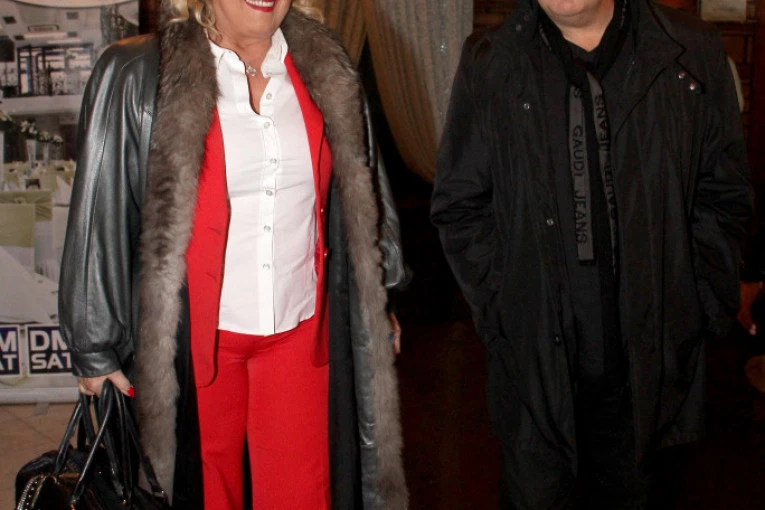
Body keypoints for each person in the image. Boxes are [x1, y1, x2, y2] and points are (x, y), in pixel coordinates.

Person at [58, 1, 408, 509]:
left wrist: (382, 295)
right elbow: (99, 204)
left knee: (304, 494)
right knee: (201, 494)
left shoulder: (326, 66)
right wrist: (93, 340)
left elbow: (366, 188)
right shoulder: (138, 72)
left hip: (301, 334)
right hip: (191, 346)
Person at [431, 0, 752, 506]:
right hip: (537, 382)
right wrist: (506, 316)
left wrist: (695, 309)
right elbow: (461, 205)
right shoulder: (490, 60)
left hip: (651, 384)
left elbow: (724, 195)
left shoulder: (691, 52)